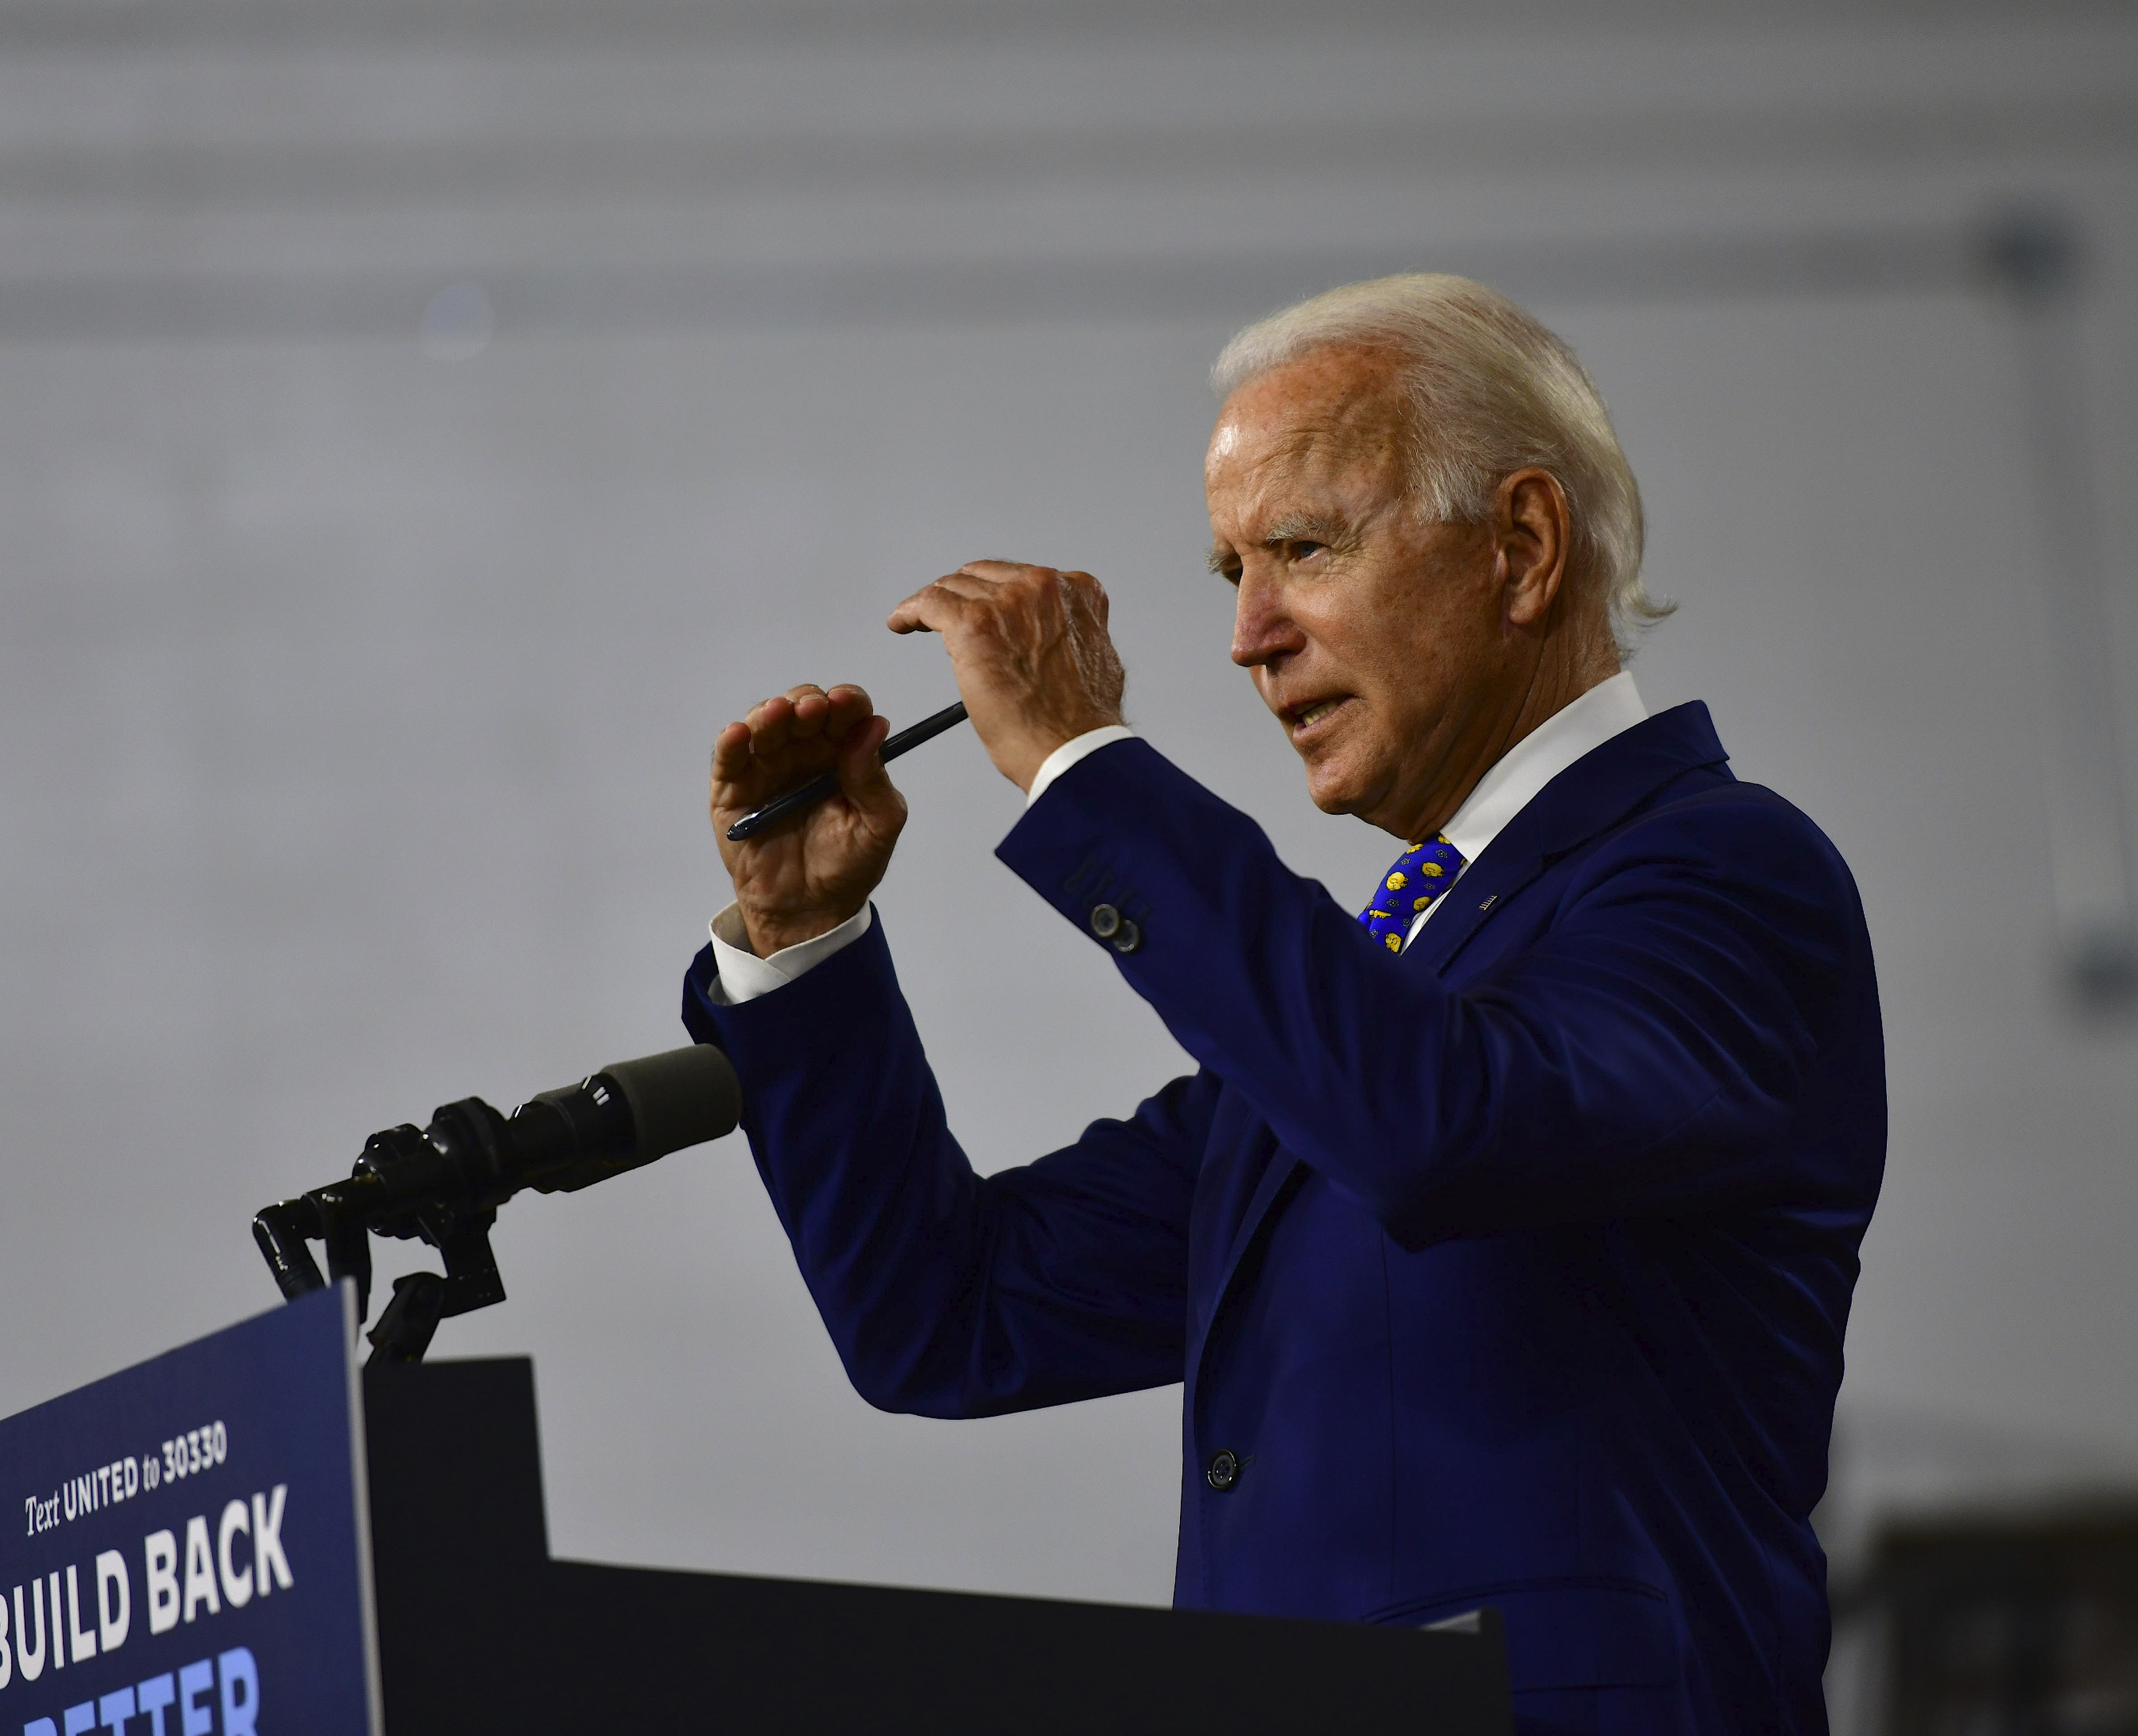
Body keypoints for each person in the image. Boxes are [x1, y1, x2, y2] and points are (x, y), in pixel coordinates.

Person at [680, 273, 1884, 1736]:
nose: (1249, 636)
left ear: (1518, 549)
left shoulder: (1714, 870)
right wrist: (804, 941)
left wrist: (1083, 771)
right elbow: (951, 1313)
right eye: (1230, 573)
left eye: (1302, 549)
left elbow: (1438, 1128)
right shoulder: (1383, 1000)